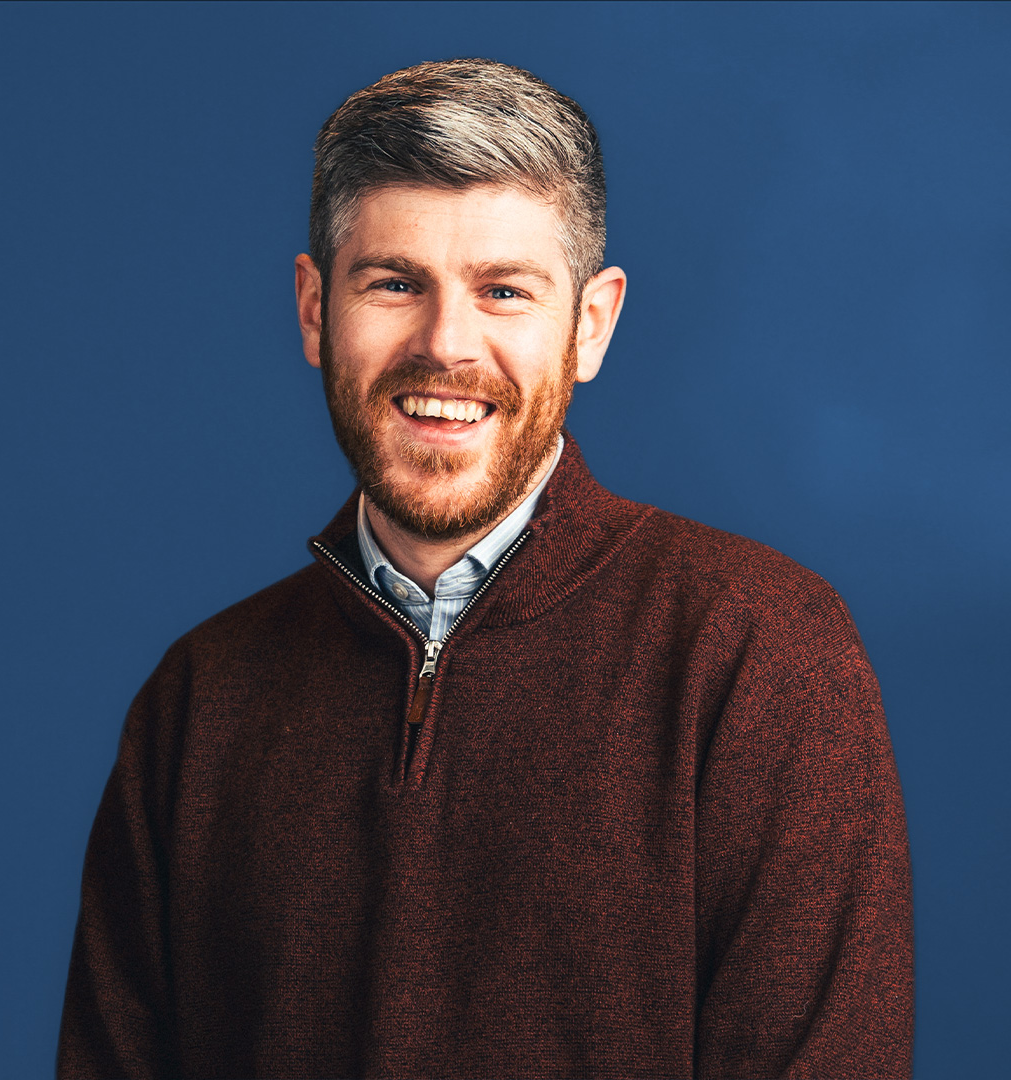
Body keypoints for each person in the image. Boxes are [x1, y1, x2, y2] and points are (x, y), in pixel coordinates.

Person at [58, 58, 913, 1079]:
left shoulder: (759, 655)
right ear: (312, 309)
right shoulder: (197, 703)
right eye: (393, 283)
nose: (446, 345)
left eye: (504, 290)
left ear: (590, 324)